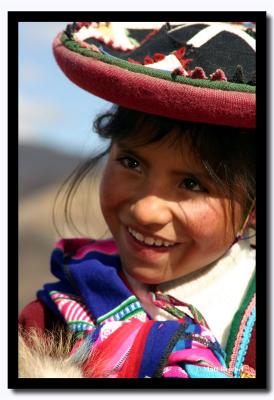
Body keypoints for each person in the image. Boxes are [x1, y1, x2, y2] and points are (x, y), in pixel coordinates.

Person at [19, 21, 256, 379]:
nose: (146, 210)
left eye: (192, 183)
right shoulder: (49, 321)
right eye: (131, 163)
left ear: (253, 209)